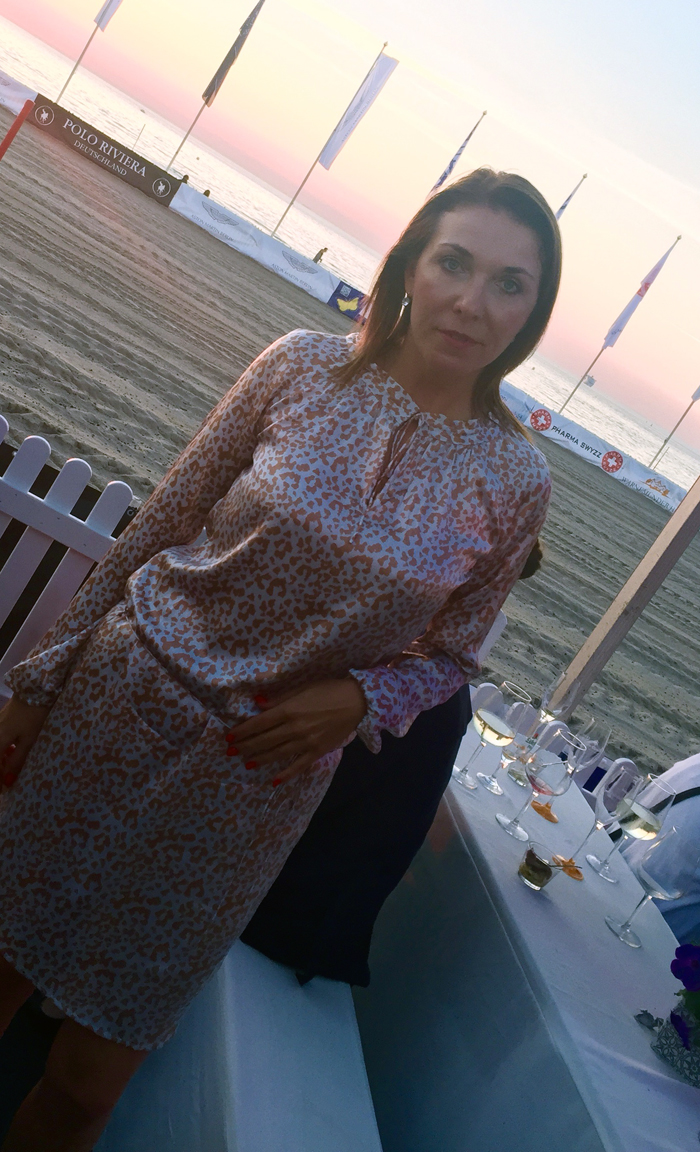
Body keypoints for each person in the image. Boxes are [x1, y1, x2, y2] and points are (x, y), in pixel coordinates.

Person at [0, 166, 559, 1150]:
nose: (473, 301)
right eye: (454, 263)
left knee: (89, 1083)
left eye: (508, 283)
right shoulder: (301, 367)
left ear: (532, 311)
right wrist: (37, 685)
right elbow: (157, 526)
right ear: (412, 266)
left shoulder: (515, 478)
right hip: (118, 706)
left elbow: (454, 654)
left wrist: (363, 697)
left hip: (246, 790)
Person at [242, 540, 544, 985]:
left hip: (272, 922)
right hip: (306, 924)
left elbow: (272, 791)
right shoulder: (424, 676)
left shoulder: (401, 687)